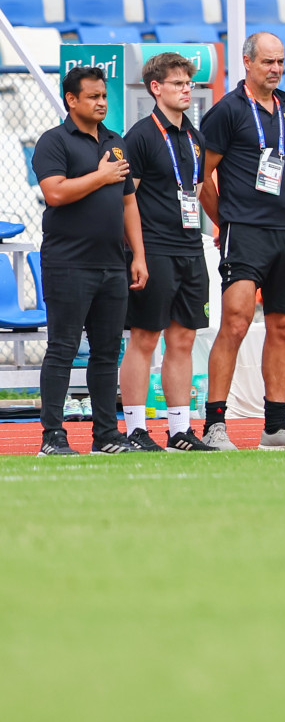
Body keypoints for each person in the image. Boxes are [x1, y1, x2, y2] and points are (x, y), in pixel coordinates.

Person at [200, 32, 285, 450]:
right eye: (268, 62)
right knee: (237, 321)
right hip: (243, 232)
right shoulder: (227, 111)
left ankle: (275, 426)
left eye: (280, 62)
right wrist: (225, 221)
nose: (276, 70)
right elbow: (202, 176)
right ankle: (214, 425)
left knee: (283, 327)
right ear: (247, 62)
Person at [32, 66, 146, 455]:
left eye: (104, 96)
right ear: (72, 100)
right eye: (94, 96)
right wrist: (100, 176)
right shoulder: (53, 142)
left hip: (113, 264)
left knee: (106, 351)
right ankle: (53, 436)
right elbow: (56, 193)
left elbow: (129, 201)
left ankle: (107, 435)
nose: (101, 103)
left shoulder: (115, 143)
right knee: (62, 349)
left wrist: (139, 256)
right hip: (68, 263)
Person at [120, 52, 216, 452]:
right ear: (156, 88)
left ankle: (179, 430)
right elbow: (129, 200)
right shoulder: (140, 136)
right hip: (154, 249)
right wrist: (137, 255)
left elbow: (194, 190)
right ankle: (135, 429)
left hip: (190, 248)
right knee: (144, 337)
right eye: (178, 83)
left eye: (189, 83)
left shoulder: (194, 136)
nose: (186, 89)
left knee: (183, 338)